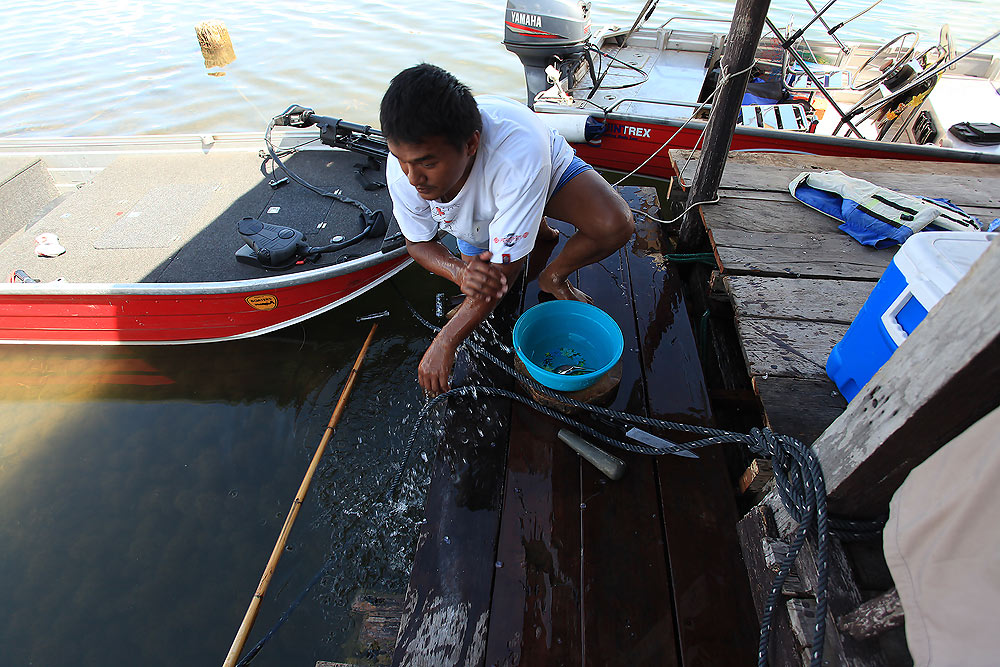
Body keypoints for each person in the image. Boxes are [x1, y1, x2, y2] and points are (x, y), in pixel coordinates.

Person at [380, 63, 633, 395]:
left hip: (539, 173)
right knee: (478, 288)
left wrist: (446, 340)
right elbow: (418, 243)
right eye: (403, 160)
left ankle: (552, 275)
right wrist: (459, 273)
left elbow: (504, 272)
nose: (414, 179)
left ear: (471, 144)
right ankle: (535, 232)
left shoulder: (518, 152)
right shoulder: (404, 170)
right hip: (476, 211)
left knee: (615, 224)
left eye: (427, 163)